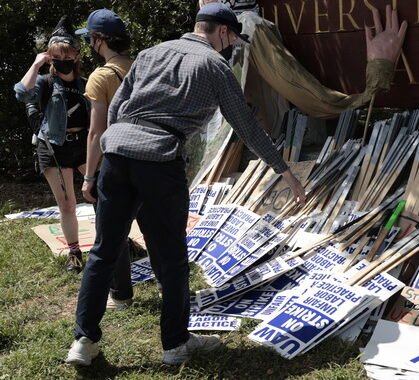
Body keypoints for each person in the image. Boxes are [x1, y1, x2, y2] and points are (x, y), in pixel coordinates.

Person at [65, 2, 306, 366]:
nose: (231, 47)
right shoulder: (214, 65)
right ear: (222, 32)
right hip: (160, 161)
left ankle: (83, 342)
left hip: (116, 154)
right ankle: (175, 345)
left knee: (104, 251)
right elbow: (244, 122)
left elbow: (115, 110)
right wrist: (283, 169)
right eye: (232, 40)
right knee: (173, 258)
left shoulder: (149, 53)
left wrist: (105, 156)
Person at [78, 9, 150, 311]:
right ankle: (166, 283)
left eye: (91, 39)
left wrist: (89, 176)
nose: (90, 45)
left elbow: (96, 132)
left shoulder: (101, 76)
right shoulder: (143, 67)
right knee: (153, 226)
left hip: (116, 161)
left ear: (100, 41)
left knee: (112, 233)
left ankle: (121, 294)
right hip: (149, 157)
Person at [14, 16, 91, 273]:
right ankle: (74, 252)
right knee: (67, 203)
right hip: (54, 146)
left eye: (68, 56)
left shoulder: (84, 83)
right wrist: (37, 63)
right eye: (58, 56)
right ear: (51, 57)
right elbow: (21, 93)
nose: (64, 61)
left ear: (77, 56)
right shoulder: (45, 82)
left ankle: (118, 241)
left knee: (103, 194)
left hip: (83, 144)